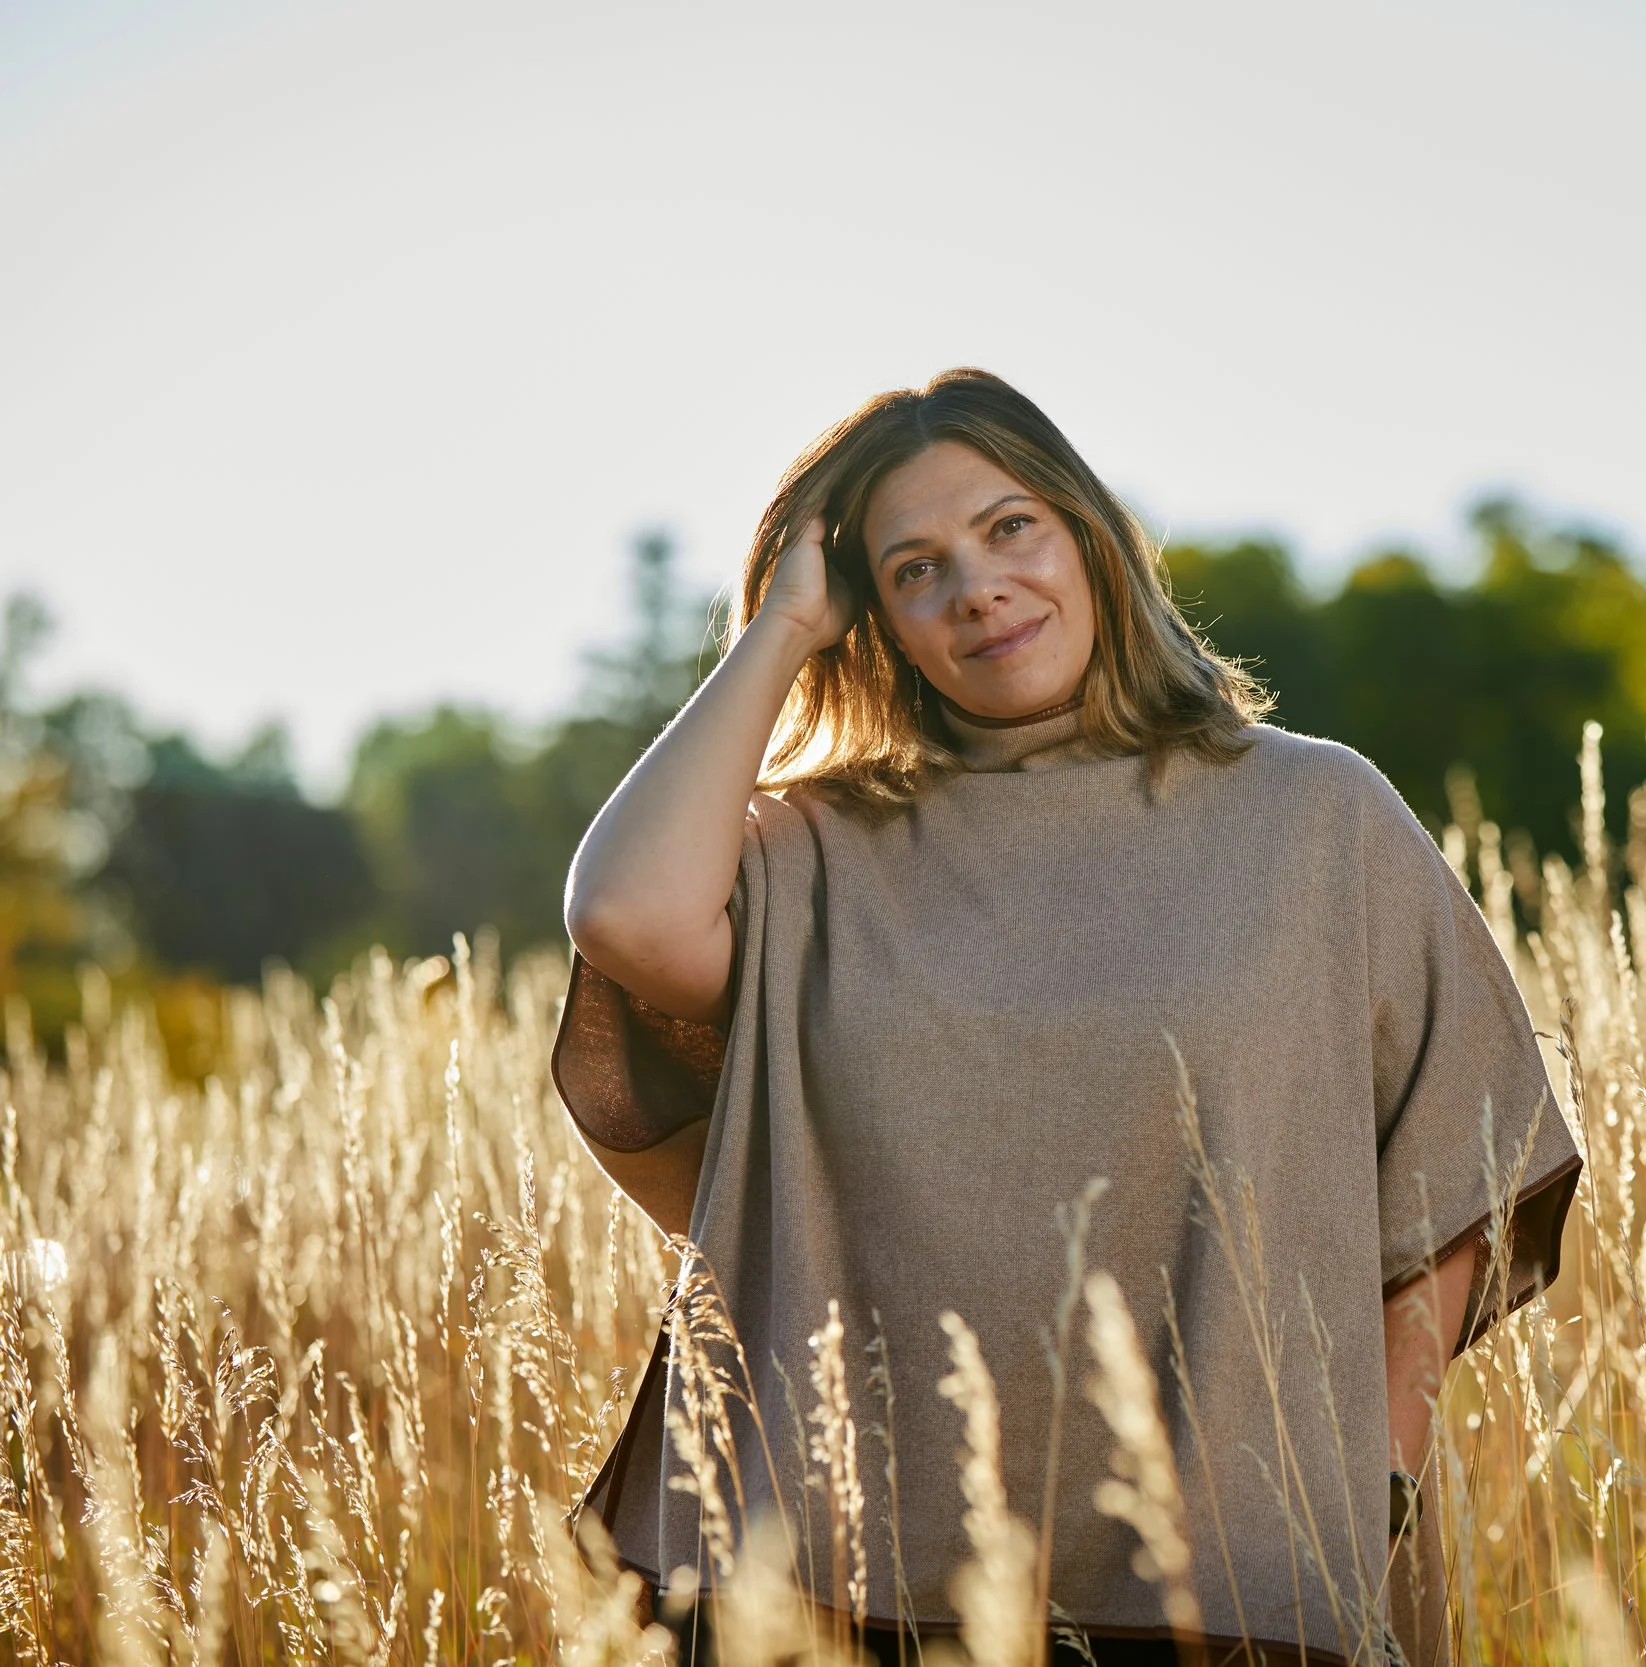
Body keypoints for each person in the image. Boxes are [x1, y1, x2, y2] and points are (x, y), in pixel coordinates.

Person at [550, 368, 1581, 1666]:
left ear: (1090, 537)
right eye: (913, 569)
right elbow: (627, 914)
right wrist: (781, 628)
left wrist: (1367, 1484)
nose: (975, 586)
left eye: (1008, 528)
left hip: (1226, 1584)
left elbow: (1453, 1167)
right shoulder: (817, 855)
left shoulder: (1317, 819)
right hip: (846, 1583)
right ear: (879, 620)